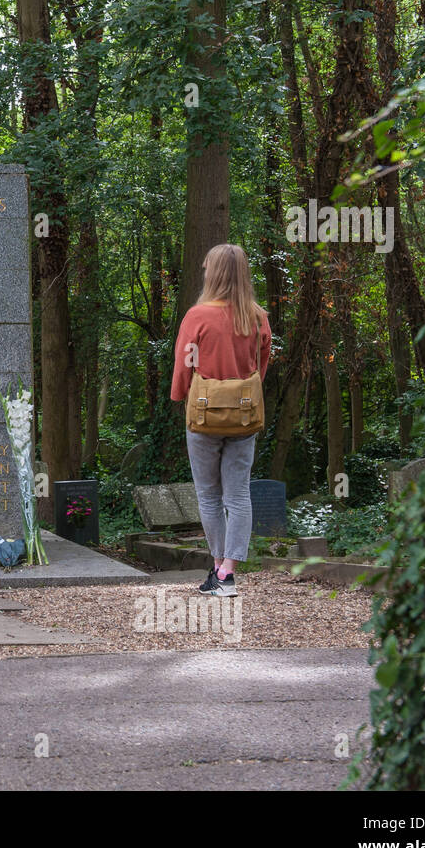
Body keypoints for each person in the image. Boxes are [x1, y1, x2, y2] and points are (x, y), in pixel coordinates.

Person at [170, 244, 272, 597]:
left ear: (212, 274)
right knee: (239, 494)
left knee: (209, 495)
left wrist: (179, 396)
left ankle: (217, 567)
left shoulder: (198, 316)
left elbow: (184, 365)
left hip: (203, 415)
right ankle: (229, 571)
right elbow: (261, 366)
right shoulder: (258, 317)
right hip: (244, 418)